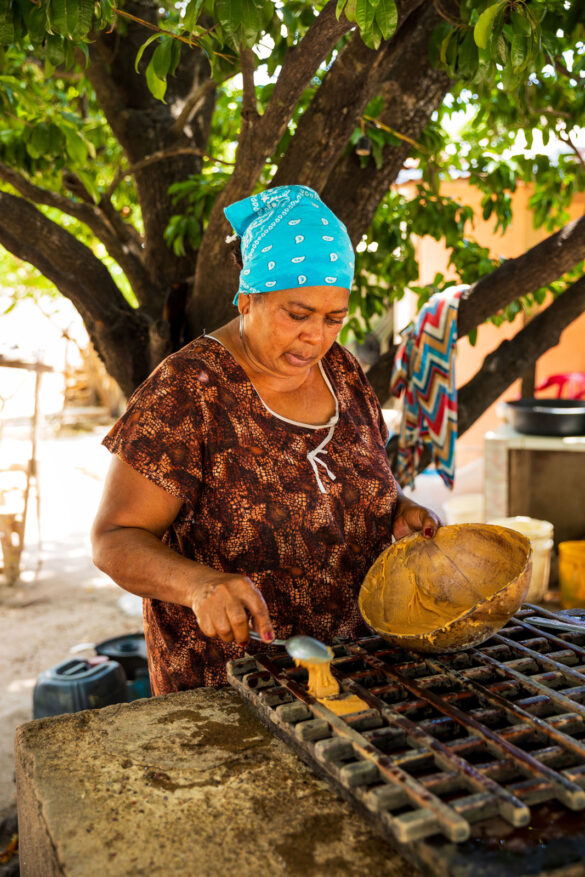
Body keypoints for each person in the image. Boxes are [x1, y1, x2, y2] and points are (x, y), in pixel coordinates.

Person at [91, 184, 441, 695]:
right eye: (297, 315)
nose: (315, 338)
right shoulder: (189, 391)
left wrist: (398, 509)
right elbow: (113, 538)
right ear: (247, 299)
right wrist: (199, 585)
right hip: (229, 689)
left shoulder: (342, 371)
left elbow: (350, 481)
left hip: (358, 672)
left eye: (333, 319)